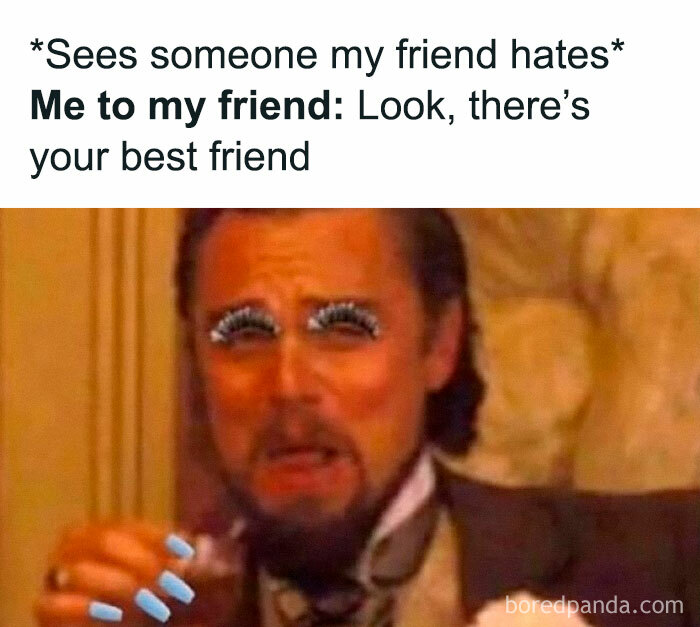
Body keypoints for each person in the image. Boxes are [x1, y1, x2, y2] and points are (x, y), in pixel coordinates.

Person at [36, 209, 700, 627]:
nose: (289, 385)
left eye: (344, 328)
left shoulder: (660, 570)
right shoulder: (165, 608)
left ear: (439, 345)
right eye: (242, 335)